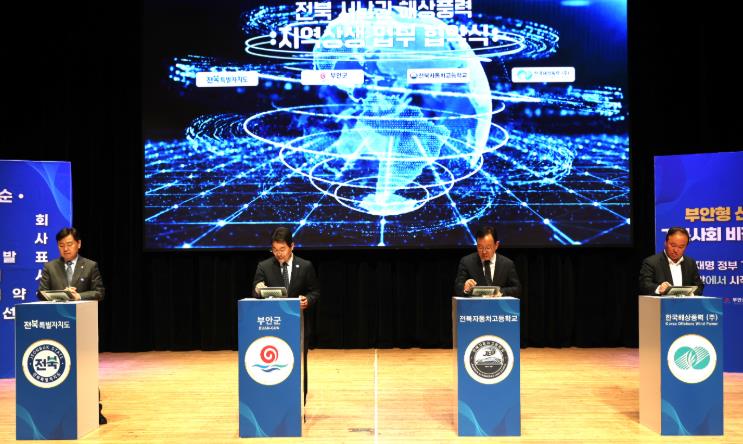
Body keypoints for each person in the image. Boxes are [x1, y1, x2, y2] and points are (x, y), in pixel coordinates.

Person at [37, 227, 107, 424]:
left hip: (83, 326)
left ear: (78, 244)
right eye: (61, 245)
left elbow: (99, 292)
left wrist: (78, 296)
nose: (65, 249)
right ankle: (60, 410)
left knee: (86, 368)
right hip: (58, 326)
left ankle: (93, 409)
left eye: (69, 244)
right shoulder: (50, 267)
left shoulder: (90, 265)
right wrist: (61, 294)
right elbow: (41, 293)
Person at [252, 227, 320, 403]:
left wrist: (307, 300)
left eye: (282, 249)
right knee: (276, 364)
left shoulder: (305, 266)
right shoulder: (264, 266)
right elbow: (255, 292)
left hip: (298, 325)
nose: (278, 254)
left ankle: (298, 399)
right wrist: (259, 290)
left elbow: (315, 292)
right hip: (273, 327)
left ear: (292, 246)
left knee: (297, 364)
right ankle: (275, 399)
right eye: (274, 250)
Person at [454, 226, 521, 297]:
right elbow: (458, 287)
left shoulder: (507, 264)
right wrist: (465, 287)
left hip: (499, 304)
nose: (484, 252)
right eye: (480, 247)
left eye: (488, 248)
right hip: (476, 304)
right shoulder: (467, 262)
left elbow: (517, 289)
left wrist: (500, 292)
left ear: (496, 245)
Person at [639, 226, 704, 295]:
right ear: (665, 243)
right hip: (661, 301)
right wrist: (659, 288)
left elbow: (699, 286)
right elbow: (644, 284)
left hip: (685, 301)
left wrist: (690, 293)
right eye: (673, 245)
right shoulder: (652, 262)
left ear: (686, 247)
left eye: (681, 247)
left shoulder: (690, 263)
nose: (676, 250)